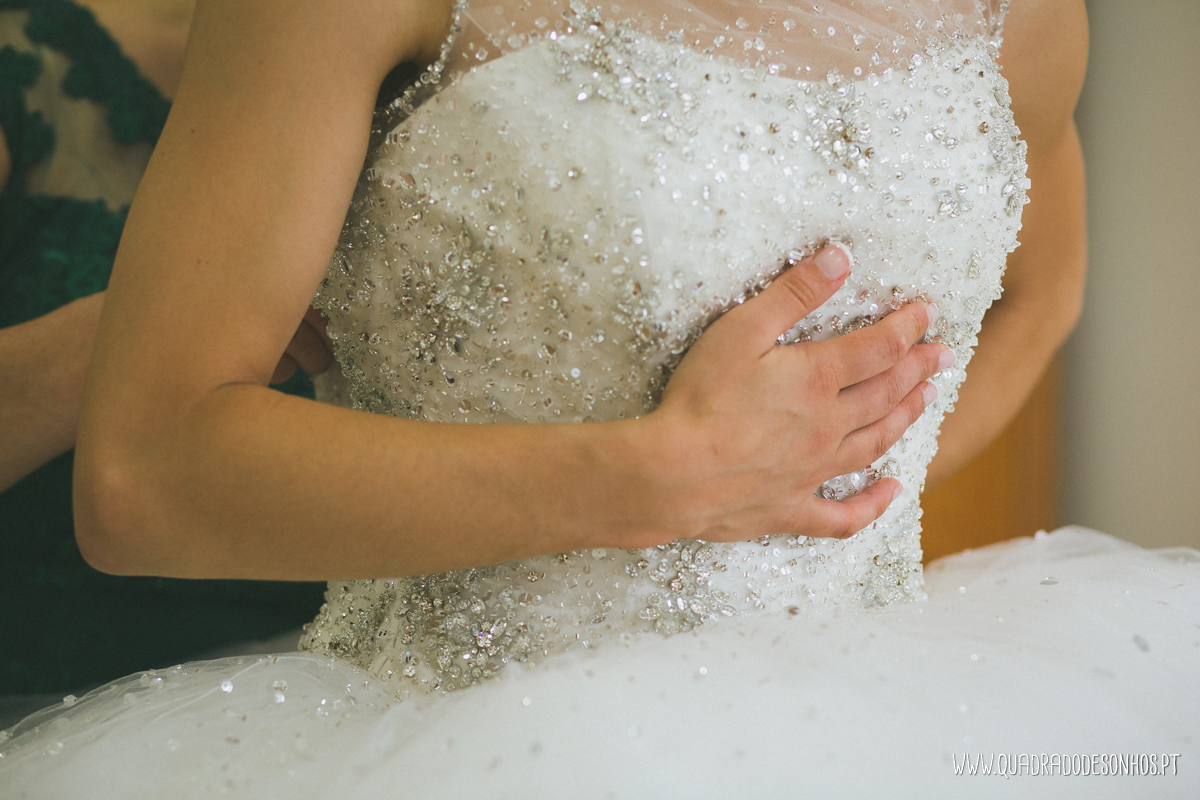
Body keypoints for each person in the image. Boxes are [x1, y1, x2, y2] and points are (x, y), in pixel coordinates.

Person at [3, 0, 1198, 796]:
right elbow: (142, 476)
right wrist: (670, 480)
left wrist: (837, 494)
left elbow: (1042, 290)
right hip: (459, 737)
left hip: (914, 718)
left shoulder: (1024, 14)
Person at [0, 0, 335, 719]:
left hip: (365, 684)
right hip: (65, 707)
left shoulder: (446, 72)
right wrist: (137, 336)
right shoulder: (24, 69)